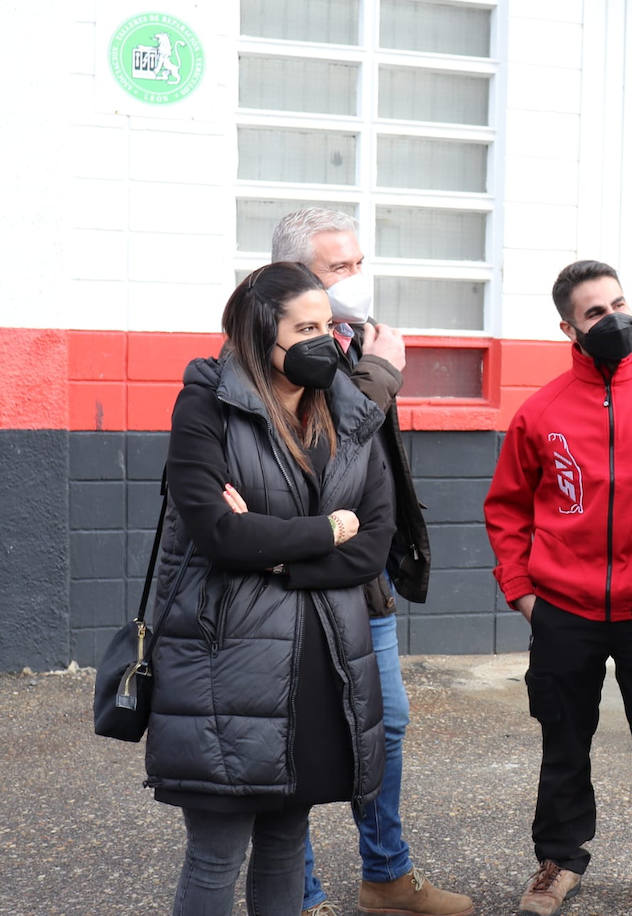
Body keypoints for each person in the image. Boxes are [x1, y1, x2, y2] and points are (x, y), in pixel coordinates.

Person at [145, 261, 391, 915]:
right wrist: (323, 530)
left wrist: (277, 548)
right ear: (260, 332)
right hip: (226, 664)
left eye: (328, 326)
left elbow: (371, 545)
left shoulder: (349, 413)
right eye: (304, 327)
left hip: (322, 662)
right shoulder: (207, 403)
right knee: (216, 855)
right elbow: (220, 536)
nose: (323, 341)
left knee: (286, 844)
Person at [483, 260, 632, 916]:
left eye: (618, 304)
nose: (614, 320)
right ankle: (558, 861)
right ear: (568, 329)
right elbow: (507, 508)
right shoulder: (541, 413)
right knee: (563, 744)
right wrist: (524, 592)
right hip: (564, 613)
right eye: (594, 313)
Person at [271, 209, 472, 916]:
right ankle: (296, 894)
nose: (359, 278)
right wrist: (381, 378)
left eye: (360, 262)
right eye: (340, 268)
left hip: (369, 575)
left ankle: (385, 875)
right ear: (296, 280)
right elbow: (313, 458)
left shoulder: (358, 341)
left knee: (384, 725)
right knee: (291, 732)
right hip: (296, 578)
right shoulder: (276, 352)